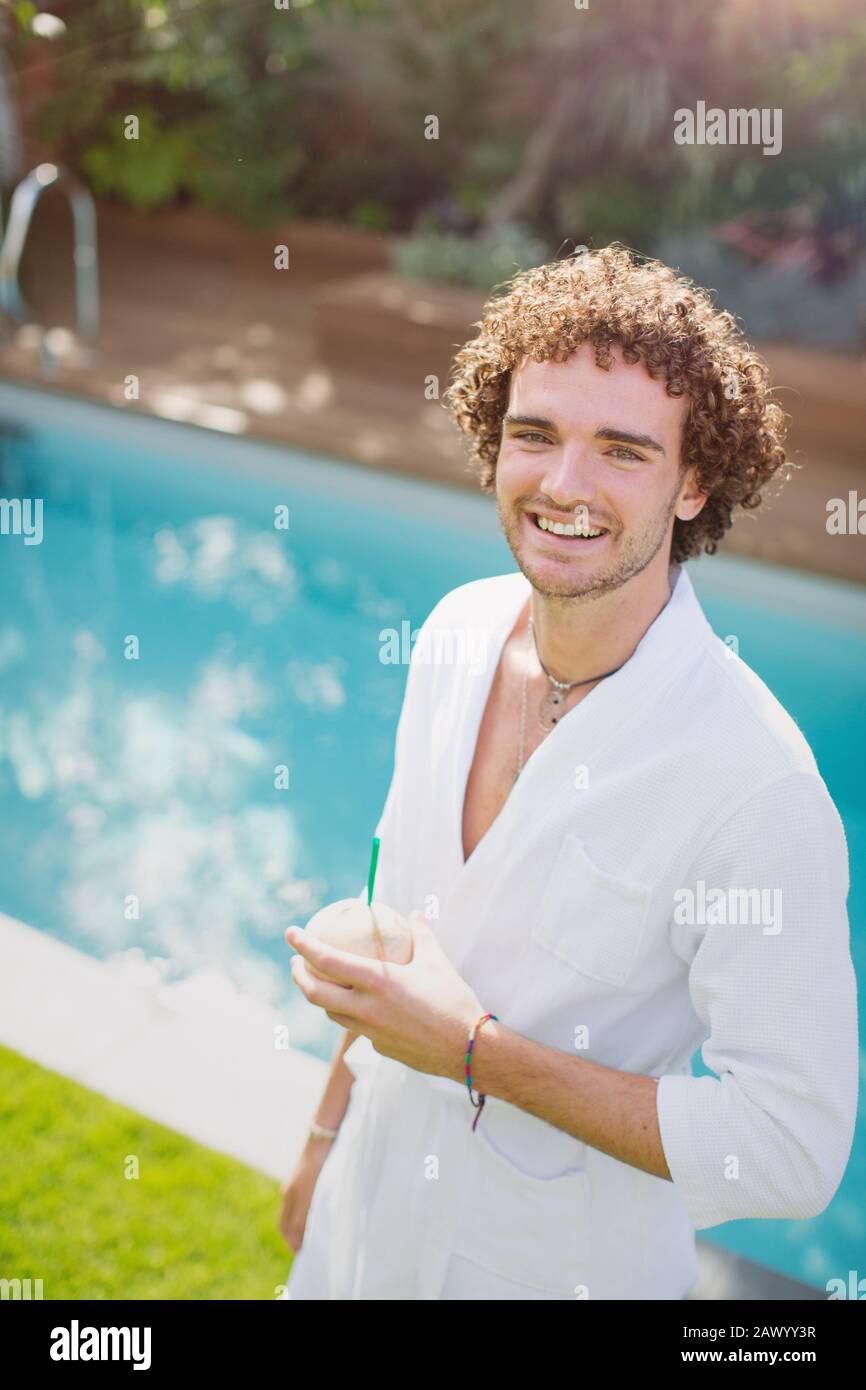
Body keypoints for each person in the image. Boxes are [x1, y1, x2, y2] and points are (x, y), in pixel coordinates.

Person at [276, 244, 858, 1300]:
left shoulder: (753, 786)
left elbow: (788, 1147)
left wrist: (471, 1051)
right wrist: (323, 1133)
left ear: (693, 485)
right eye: (532, 435)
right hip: (361, 1239)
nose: (561, 485)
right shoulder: (454, 631)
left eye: (620, 451)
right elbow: (399, 921)